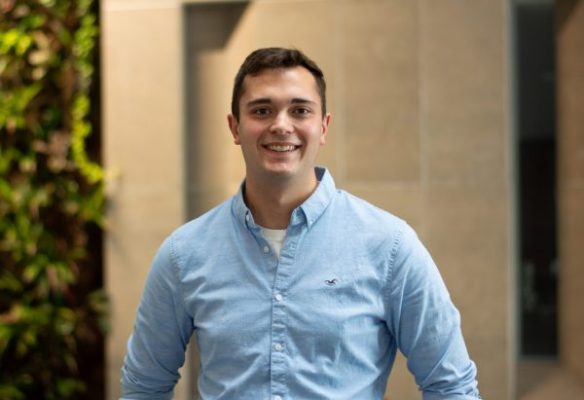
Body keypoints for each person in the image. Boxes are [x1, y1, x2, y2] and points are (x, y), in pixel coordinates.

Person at [121, 47, 480, 400]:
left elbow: (452, 387)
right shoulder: (184, 254)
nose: (281, 125)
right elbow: (144, 388)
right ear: (235, 127)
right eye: (262, 110)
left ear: (323, 126)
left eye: (300, 110)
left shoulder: (390, 246)